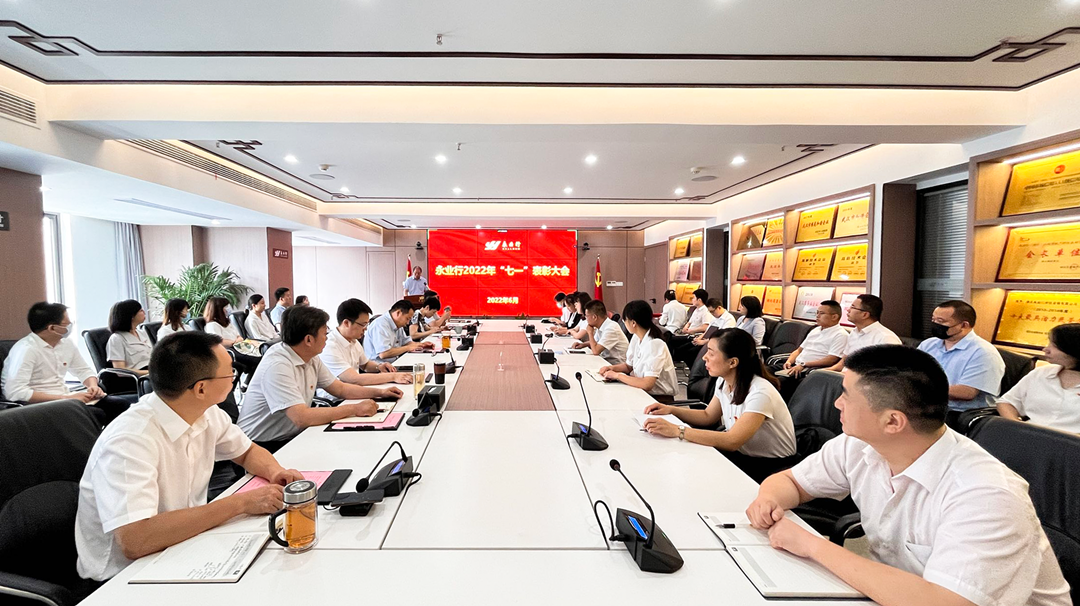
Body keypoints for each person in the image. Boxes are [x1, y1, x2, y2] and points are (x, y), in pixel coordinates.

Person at [745, 345, 1070, 606]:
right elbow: (791, 482)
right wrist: (769, 499)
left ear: (892, 422)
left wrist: (812, 545)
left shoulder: (985, 494)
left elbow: (945, 601)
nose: (837, 403)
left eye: (846, 395)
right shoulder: (858, 445)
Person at [75, 331, 305, 582]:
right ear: (201, 388)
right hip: (124, 576)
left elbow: (247, 451)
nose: (233, 379)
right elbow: (135, 540)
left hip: (182, 544)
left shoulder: (205, 412)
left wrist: (275, 471)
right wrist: (240, 503)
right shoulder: (130, 440)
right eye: (230, 373)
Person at [642, 329, 796, 482]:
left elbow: (732, 441)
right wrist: (671, 409)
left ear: (732, 362)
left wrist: (677, 430)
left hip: (771, 467)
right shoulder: (724, 381)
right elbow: (708, 416)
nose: (704, 357)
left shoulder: (761, 392)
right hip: (744, 455)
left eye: (711, 353)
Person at [238, 306, 399, 449]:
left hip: (292, 436)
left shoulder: (310, 357)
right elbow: (301, 417)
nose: (327, 337)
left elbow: (340, 389)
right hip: (260, 445)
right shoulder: (277, 366)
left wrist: (381, 393)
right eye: (324, 333)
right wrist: (355, 409)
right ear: (309, 339)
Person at [2, 302, 130, 422]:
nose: (70, 326)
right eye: (67, 324)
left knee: (121, 405)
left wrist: (93, 387)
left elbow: (83, 370)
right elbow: (15, 392)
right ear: (52, 328)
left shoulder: (66, 344)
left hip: (64, 397)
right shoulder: (26, 349)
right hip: (39, 404)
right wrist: (66, 398)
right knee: (94, 414)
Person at [918, 300, 1005, 411]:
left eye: (941, 321)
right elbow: (910, 371)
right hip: (928, 407)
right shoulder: (928, 344)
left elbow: (967, 392)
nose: (935, 324)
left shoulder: (984, 353)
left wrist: (922, 388)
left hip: (963, 412)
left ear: (964, 325)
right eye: (933, 320)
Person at [997, 323, 1080, 433]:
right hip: (1028, 435)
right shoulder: (1041, 373)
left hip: (1071, 441)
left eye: (1055, 346)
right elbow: (1006, 403)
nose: (1045, 349)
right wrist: (1017, 427)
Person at [319, 298, 414, 393]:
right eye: (363, 324)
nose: (365, 329)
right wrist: (393, 377)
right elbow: (353, 379)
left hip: (354, 391)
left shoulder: (353, 340)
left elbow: (365, 365)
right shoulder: (330, 346)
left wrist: (379, 366)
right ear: (346, 323)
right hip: (336, 398)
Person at [599, 300, 678, 401]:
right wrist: (611, 368)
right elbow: (628, 366)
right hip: (640, 392)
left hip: (658, 399)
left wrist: (618, 376)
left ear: (633, 323)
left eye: (625, 320)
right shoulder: (636, 338)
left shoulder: (655, 344)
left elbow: (647, 384)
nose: (624, 323)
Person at [827, 294, 901, 372]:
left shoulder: (886, 338)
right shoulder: (854, 332)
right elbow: (842, 364)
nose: (848, 310)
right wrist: (822, 372)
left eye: (853, 307)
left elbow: (889, 373)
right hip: (843, 377)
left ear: (865, 314)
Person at [779, 300, 848, 379]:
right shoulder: (815, 330)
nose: (817, 316)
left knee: (777, 381)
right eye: (817, 313)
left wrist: (804, 364)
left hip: (809, 369)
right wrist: (789, 361)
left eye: (822, 313)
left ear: (834, 317)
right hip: (796, 365)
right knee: (767, 373)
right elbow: (799, 350)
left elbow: (831, 360)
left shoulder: (841, 335)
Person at [203, 296, 259, 380]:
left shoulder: (227, 322)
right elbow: (218, 342)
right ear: (219, 309)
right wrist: (234, 342)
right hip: (229, 351)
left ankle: (248, 382)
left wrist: (236, 341)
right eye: (226, 306)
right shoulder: (212, 325)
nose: (229, 308)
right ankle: (247, 383)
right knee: (255, 361)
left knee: (260, 357)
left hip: (239, 347)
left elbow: (239, 336)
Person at [363, 300, 435, 363]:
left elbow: (406, 342)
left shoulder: (398, 324)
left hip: (393, 363)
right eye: (407, 319)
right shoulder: (380, 325)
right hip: (378, 368)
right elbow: (384, 353)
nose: (408, 323)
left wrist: (421, 345)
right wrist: (408, 347)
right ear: (398, 313)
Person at [569, 299, 629, 364]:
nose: (586, 319)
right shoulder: (601, 325)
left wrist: (590, 333)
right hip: (605, 361)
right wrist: (583, 345)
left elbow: (596, 351)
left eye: (586, 316)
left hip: (615, 365)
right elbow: (597, 342)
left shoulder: (611, 328)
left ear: (594, 317)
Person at [106, 299, 152, 376]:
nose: (144, 312)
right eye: (140, 310)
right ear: (131, 316)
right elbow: (120, 371)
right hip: (138, 377)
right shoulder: (117, 338)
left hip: (153, 371)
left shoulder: (142, 333)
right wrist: (150, 373)